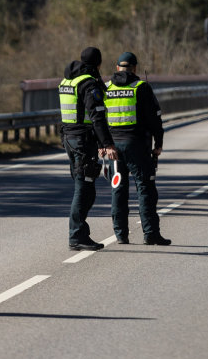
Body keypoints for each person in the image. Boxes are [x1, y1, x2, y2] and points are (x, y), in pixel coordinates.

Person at [104, 51, 170, 246]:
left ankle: (120, 234)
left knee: (118, 189)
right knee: (145, 189)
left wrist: (102, 144)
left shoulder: (105, 88)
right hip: (137, 147)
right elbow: (154, 120)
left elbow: (97, 119)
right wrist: (158, 144)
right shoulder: (141, 87)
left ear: (117, 68)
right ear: (134, 68)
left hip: (113, 149)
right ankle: (150, 233)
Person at [60, 46, 118, 251]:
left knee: (84, 187)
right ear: (98, 63)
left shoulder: (68, 80)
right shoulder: (88, 83)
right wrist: (107, 144)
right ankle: (76, 236)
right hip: (82, 142)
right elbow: (97, 117)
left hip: (70, 139)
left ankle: (80, 233)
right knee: (83, 189)